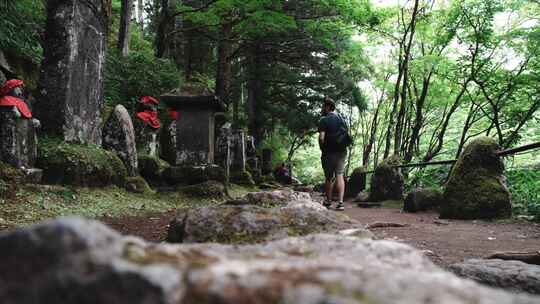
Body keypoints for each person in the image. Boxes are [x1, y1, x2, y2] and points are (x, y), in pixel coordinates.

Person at [318, 98, 347, 211]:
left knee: (329, 177)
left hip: (328, 152)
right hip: (341, 151)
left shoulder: (324, 120)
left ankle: (328, 202)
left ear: (328, 107)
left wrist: (322, 148)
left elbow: (321, 137)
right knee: (339, 175)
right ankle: (340, 203)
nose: (322, 108)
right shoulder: (341, 119)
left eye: (323, 106)